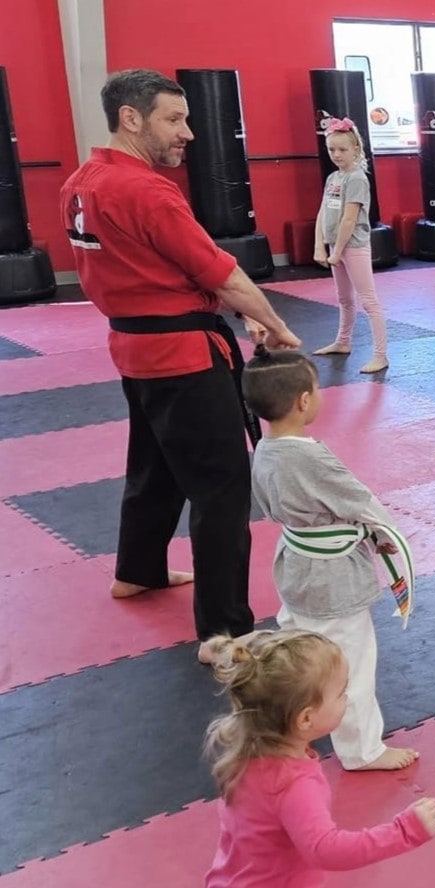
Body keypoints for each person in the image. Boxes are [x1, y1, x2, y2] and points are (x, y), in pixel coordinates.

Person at [60, 69, 299, 655]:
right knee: (222, 491)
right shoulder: (148, 190)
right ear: (131, 118)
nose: (188, 132)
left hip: (134, 349)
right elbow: (222, 271)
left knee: (156, 462)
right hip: (183, 356)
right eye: (174, 118)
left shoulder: (79, 182)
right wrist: (275, 323)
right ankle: (226, 632)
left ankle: (136, 571)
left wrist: (227, 304)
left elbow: (154, 267)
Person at [242, 348, 417, 772]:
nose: (319, 396)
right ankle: (363, 751)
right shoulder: (310, 456)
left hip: (297, 568)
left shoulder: (264, 449)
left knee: (299, 659)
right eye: (316, 389)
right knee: (348, 666)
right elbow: (359, 501)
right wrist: (385, 535)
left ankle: (285, 728)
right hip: (332, 577)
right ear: (304, 401)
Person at [201, 630, 435, 886]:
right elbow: (326, 850)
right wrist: (404, 832)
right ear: (305, 718)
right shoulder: (293, 783)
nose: (346, 699)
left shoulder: (246, 753)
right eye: (340, 694)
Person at [310, 119, 387, 374]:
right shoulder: (333, 177)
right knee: (344, 299)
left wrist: (338, 251)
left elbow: (349, 219)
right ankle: (343, 341)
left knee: (369, 300)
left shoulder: (357, 179)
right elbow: (323, 211)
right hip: (335, 246)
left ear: (356, 149)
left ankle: (380, 355)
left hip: (353, 246)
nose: (337, 155)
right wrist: (319, 245)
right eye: (332, 149)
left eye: (342, 149)